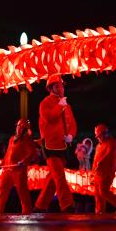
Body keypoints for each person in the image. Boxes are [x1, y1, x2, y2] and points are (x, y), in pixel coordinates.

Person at [34, 74, 77, 213]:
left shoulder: (66, 105)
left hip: (63, 145)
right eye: (57, 86)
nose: (61, 88)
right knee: (59, 176)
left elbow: (72, 123)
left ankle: (40, 205)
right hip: (50, 144)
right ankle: (67, 205)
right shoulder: (45, 103)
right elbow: (49, 118)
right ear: (50, 88)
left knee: (54, 178)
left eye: (62, 86)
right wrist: (59, 106)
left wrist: (71, 135)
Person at [0, 118, 39, 214]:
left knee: (23, 193)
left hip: (19, 171)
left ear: (25, 130)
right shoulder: (11, 139)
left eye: (21, 127)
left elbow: (32, 154)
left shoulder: (27, 140)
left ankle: (27, 212)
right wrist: (1, 164)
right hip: (7, 170)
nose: (18, 128)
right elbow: (7, 154)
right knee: (1, 192)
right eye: (18, 126)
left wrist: (23, 161)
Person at [91, 123, 116, 214]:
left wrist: (99, 164)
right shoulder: (99, 146)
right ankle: (99, 212)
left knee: (103, 191)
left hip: (106, 173)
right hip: (98, 173)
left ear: (105, 134)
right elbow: (95, 160)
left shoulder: (111, 143)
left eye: (99, 136)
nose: (98, 138)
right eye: (97, 136)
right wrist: (92, 174)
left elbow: (106, 157)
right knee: (98, 194)